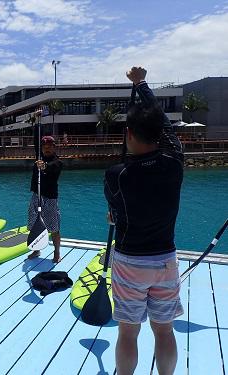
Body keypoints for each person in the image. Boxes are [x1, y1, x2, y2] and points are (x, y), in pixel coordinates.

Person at [104, 67, 184, 375]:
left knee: (128, 331)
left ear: (129, 134)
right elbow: (165, 127)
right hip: (165, 260)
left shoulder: (116, 175)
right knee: (164, 331)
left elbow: (115, 210)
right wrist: (141, 85)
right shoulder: (175, 163)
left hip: (129, 263)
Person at [27, 126, 63, 263]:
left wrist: (44, 167)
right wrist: (36, 122)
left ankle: (57, 252)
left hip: (50, 199)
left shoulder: (58, 162)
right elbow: (36, 140)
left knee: (54, 228)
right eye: (44, 146)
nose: (46, 148)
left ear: (54, 147)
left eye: (49, 146)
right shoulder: (39, 156)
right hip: (36, 196)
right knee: (34, 225)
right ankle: (37, 250)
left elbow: (52, 168)